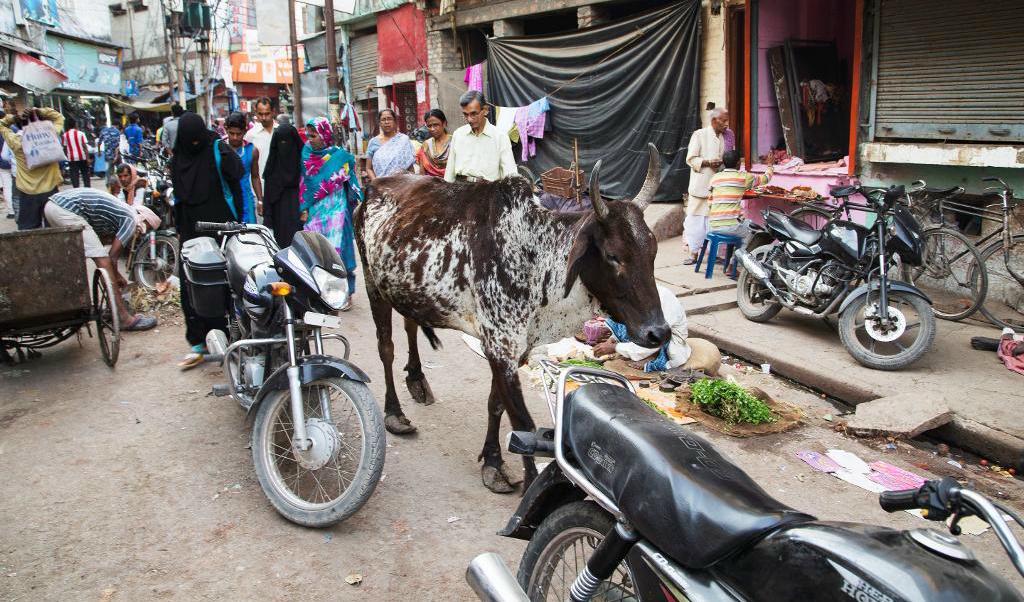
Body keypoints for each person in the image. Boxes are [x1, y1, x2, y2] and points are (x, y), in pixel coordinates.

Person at [170, 112, 244, 367]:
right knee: (193, 283)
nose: (193, 144)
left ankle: (233, 335)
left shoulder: (218, 148)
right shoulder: (178, 156)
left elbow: (238, 172)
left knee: (228, 281)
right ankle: (199, 341)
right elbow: (179, 198)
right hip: (191, 231)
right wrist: (180, 230)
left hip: (221, 227)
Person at [42, 188, 158, 331]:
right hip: (64, 208)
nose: (140, 236)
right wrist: (118, 276)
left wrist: (116, 276)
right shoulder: (132, 219)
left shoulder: (118, 215)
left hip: (54, 206)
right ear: (143, 221)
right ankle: (124, 318)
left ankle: (97, 309)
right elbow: (112, 258)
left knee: (74, 260)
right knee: (104, 262)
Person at [593, 285, 721, 375]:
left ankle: (653, 356)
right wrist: (613, 338)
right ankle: (629, 349)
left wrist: (615, 348)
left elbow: (654, 340)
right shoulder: (636, 297)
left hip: (666, 341)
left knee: (657, 338)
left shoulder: (663, 302)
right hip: (646, 332)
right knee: (619, 316)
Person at [300, 117, 360, 309]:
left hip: (337, 211)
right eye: (309, 135)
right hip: (315, 213)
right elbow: (302, 184)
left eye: (314, 134)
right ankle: (319, 292)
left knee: (341, 252)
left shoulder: (340, 156)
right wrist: (303, 208)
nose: (311, 139)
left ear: (325, 135)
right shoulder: (305, 154)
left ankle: (347, 293)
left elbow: (352, 183)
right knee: (316, 251)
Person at [0, 108, 65, 230]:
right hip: (51, 191)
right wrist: (39, 111)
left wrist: (14, 118)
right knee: (54, 230)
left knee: (28, 230)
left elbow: (2, 124)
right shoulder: (51, 135)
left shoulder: (17, 142)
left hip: (27, 193)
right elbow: (58, 117)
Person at [683, 107, 730, 265]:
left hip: (716, 188)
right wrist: (708, 162)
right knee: (695, 223)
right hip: (700, 187)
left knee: (713, 223)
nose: (726, 124)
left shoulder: (726, 137)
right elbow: (690, 159)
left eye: (727, 120)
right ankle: (693, 253)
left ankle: (712, 253)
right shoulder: (700, 135)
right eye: (723, 121)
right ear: (713, 121)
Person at [443, 90, 516, 183]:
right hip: (460, 189)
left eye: (474, 114)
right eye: (465, 114)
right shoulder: (458, 134)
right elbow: (450, 171)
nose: (469, 119)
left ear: (485, 110)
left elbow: (510, 173)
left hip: (488, 192)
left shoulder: (500, 137)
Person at [707, 150, 774, 246]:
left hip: (712, 225)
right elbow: (766, 178)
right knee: (757, 234)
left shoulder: (715, 178)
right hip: (731, 227)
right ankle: (741, 258)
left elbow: (710, 201)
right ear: (738, 163)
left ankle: (737, 255)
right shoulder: (743, 178)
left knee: (746, 223)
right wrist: (770, 165)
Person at [261, 123, 304, 248]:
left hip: (300, 214)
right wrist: (267, 218)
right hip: (279, 217)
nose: (284, 146)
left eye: (288, 142)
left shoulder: (304, 166)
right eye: (281, 142)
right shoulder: (272, 170)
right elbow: (268, 197)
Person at [224, 112, 262, 223]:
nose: (235, 137)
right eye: (231, 133)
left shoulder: (252, 150)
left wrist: (260, 201)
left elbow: (255, 177)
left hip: (246, 199)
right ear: (226, 129)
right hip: (227, 199)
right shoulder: (220, 148)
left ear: (245, 131)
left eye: (239, 134)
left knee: (249, 234)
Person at [365, 109, 416, 180]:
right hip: (381, 186)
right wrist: (376, 183)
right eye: (383, 119)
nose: (386, 122)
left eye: (389, 119)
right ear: (379, 123)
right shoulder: (373, 142)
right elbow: (368, 168)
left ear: (395, 122)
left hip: (403, 185)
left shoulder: (404, 140)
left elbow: (410, 165)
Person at [243, 97, 276, 192]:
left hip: (278, 188)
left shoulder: (281, 132)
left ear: (273, 112)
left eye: (267, 114)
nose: (264, 118)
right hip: (258, 190)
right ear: (256, 113)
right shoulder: (250, 135)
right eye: (260, 114)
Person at [415, 109, 450, 178]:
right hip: (430, 185)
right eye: (429, 126)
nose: (432, 129)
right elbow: (422, 174)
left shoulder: (454, 142)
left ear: (444, 124)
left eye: (436, 125)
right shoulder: (426, 145)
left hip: (453, 186)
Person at [61, 117, 91, 188]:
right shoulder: (81, 134)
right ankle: (87, 189)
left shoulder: (65, 135)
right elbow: (85, 147)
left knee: (74, 175)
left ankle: (76, 189)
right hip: (82, 157)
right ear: (75, 124)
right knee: (85, 175)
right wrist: (88, 158)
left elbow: (64, 147)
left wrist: (66, 156)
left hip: (71, 158)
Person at [0, 128, 13, 219]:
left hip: (2, 163)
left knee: (7, 187)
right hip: (16, 162)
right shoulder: (12, 129)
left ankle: (12, 211)